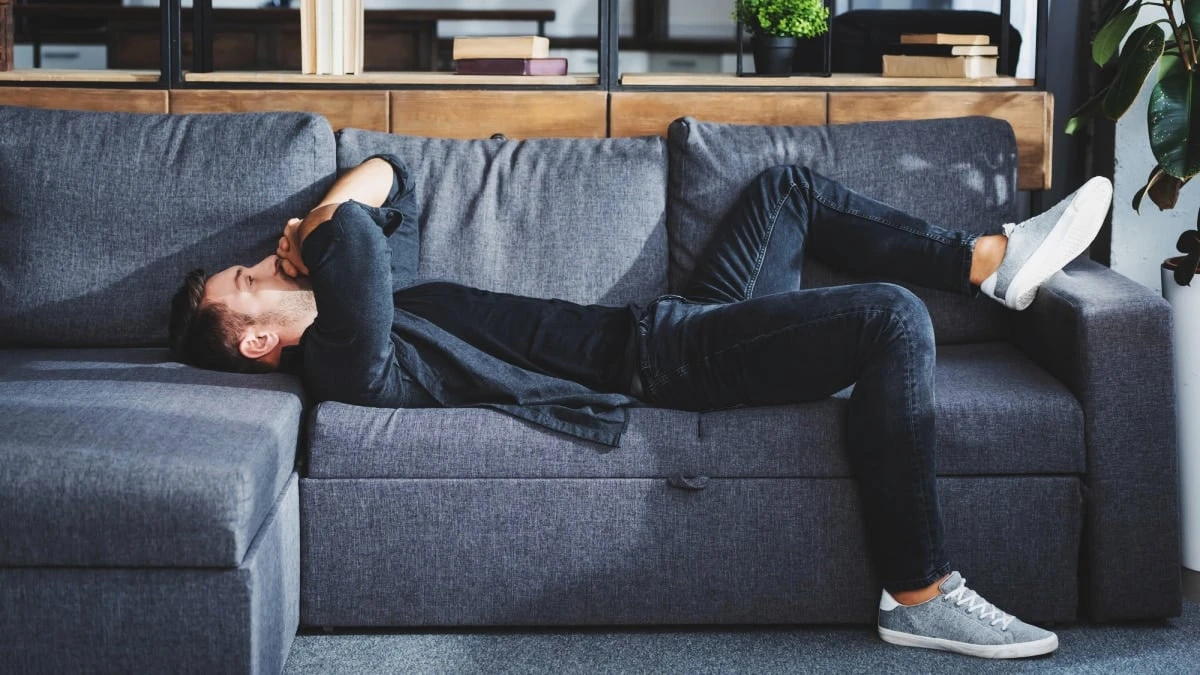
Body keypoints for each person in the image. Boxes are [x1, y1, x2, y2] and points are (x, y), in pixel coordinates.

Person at [169, 154, 1112, 659]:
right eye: (249, 278)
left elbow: (389, 179)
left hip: (671, 321)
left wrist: (332, 208)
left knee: (784, 186)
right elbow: (361, 250)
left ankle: (990, 262)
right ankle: (920, 592)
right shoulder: (346, 356)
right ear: (257, 340)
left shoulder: (374, 303)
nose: (267, 258)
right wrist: (322, 229)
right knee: (894, 322)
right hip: (666, 362)